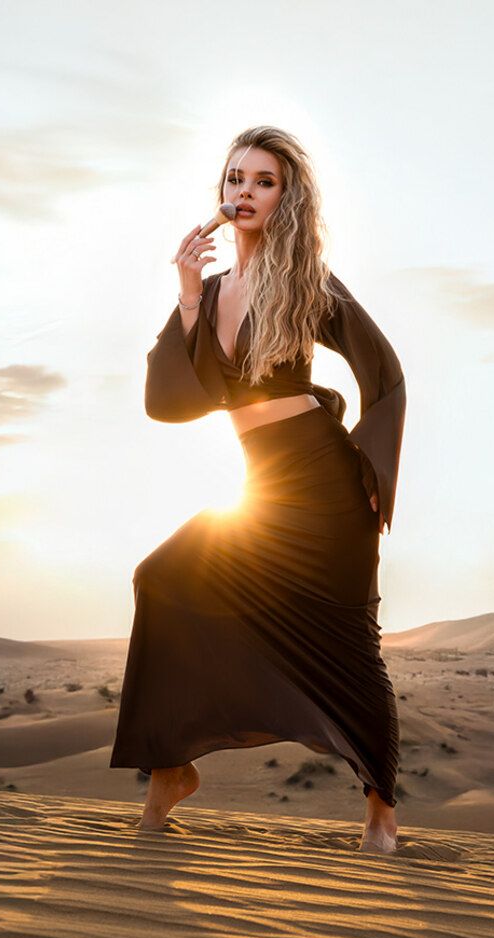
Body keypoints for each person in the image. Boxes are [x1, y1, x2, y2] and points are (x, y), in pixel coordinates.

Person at [109, 126, 406, 854]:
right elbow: (171, 403)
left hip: (327, 486)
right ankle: (170, 774)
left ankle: (380, 815)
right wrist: (184, 296)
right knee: (162, 577)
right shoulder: (209, 294)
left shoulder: (308, 281)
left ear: (286, 197)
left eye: (262, 181)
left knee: (348, 648)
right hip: (262, 489)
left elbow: (384, 374)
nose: (243, 191)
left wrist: (375, 473)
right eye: (235, 178)